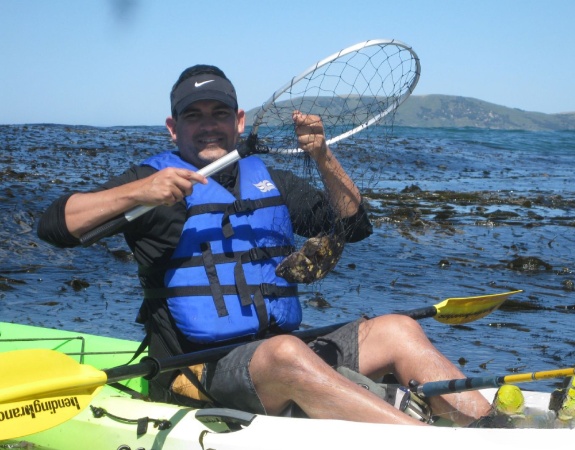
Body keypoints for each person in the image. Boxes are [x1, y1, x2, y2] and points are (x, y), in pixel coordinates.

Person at [38, 64, 493, 426]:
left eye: (219, 114)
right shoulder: (150, 182)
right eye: (193, 116)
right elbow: (55, 226)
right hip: (198, 369)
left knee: (397, 328)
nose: (208, 126)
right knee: (286, 353)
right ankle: (421, 441)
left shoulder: (268, 178)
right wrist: (137, 194)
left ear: (238, 121)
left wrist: (322, 154)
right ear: (173, 128)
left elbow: (353, 225)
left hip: (281, 352)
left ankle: (494, 430)